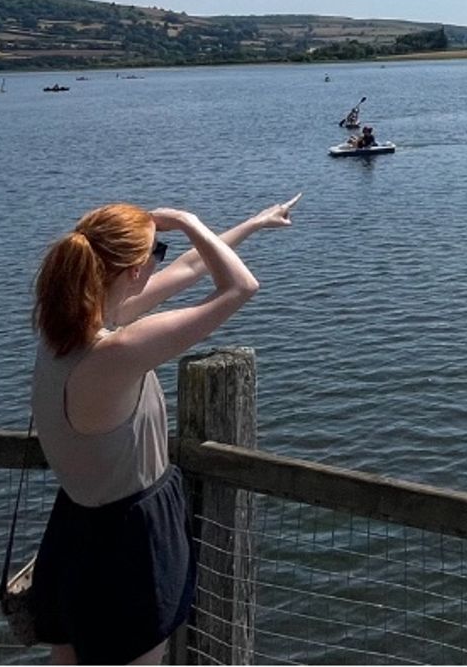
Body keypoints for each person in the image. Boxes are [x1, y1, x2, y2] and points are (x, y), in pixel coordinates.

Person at [28, 194, 297, 664]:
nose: (160, 264)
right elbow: (239, 287)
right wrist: (189, 219)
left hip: (74, 527)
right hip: (131, 536)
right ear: (134, 272)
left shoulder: (62, 334)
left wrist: (252, 223)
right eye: (157, 253)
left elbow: (195, 268)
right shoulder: (117, 352)